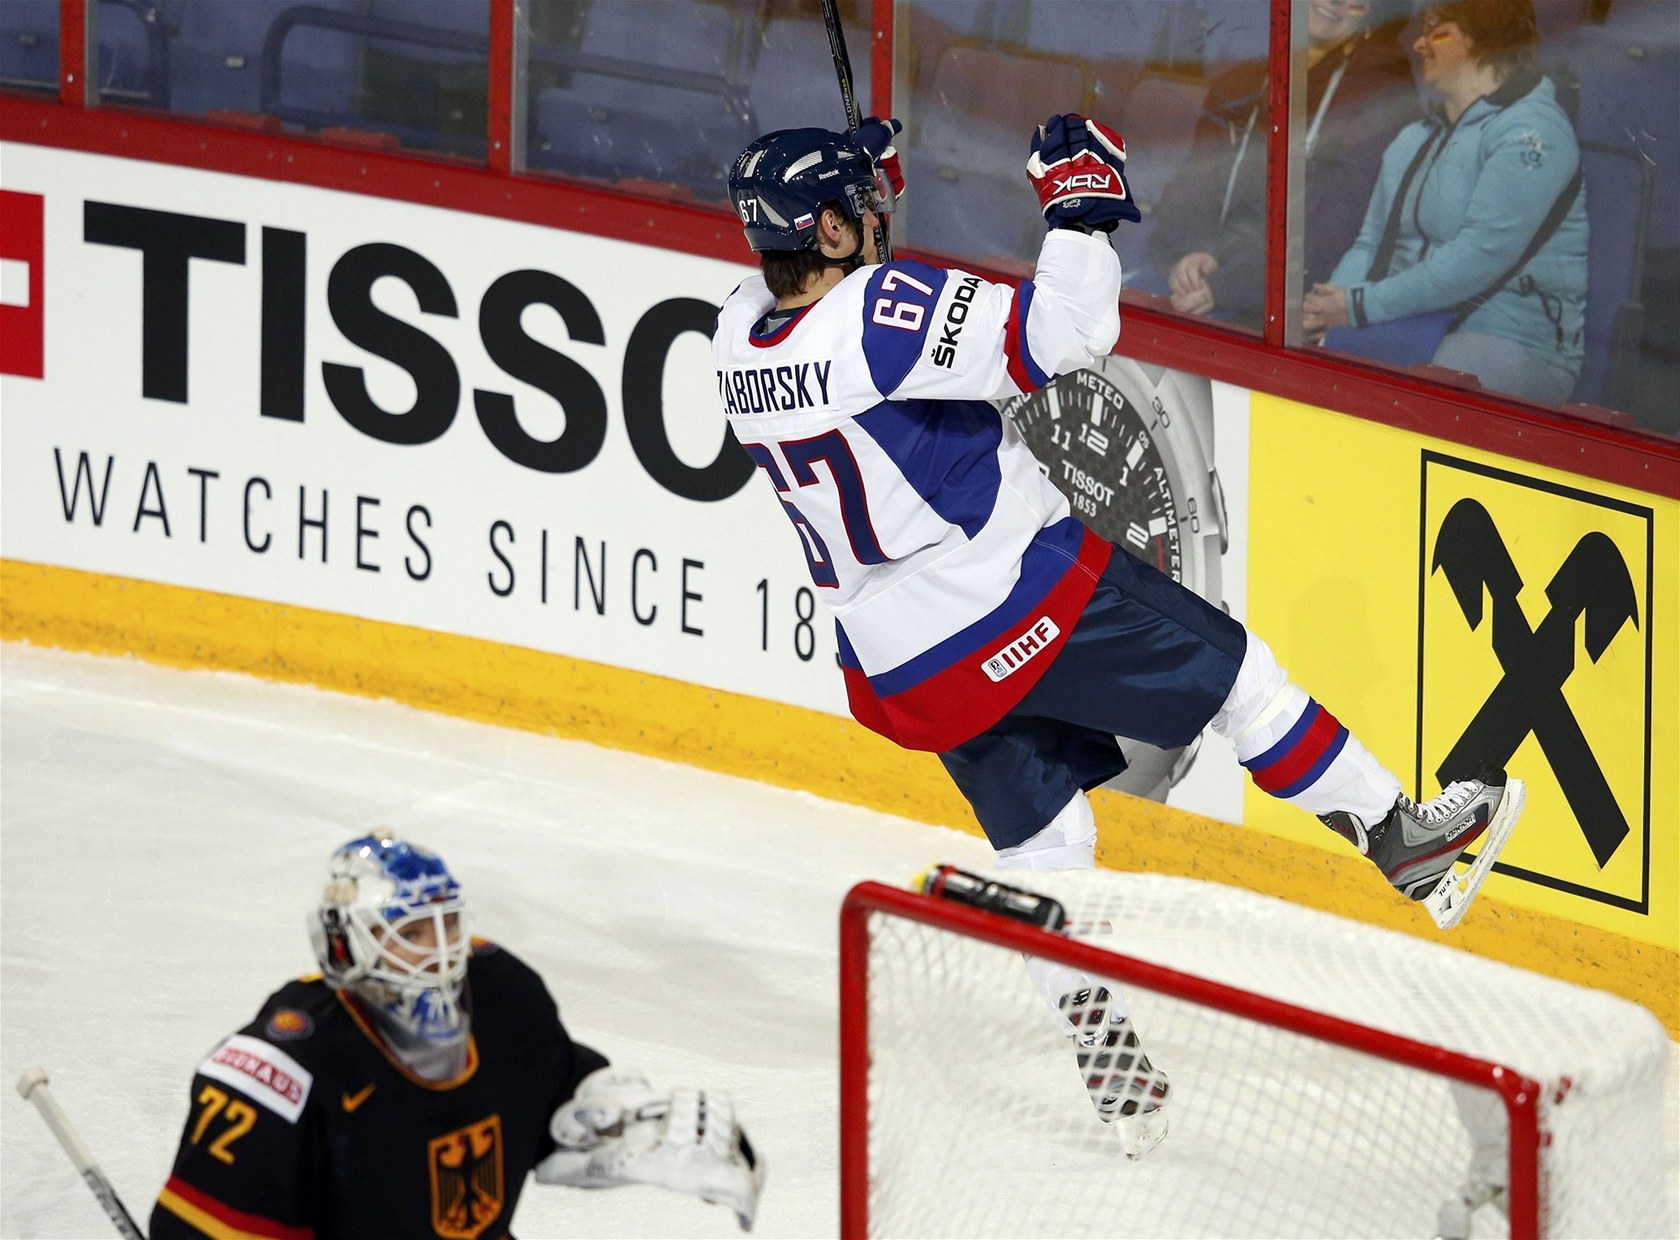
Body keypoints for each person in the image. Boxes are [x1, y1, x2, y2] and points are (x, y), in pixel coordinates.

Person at [713, 115, 1526, 1155]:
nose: (877, 219)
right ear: (829, 232)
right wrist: (1080, 212)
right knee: (1241, 678)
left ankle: (1108, 1059)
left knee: (1045, 842)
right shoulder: (876, 313)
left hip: (902, 662)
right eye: (857, 212)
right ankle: (1406, 841)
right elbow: (1065, 336)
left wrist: (856, 199)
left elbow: (847, 309)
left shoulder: (735, 334)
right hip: (1014, 596)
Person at [149, 835, 763, 1238]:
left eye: (447, 925)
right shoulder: (280, 1068)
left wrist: (609, 1115)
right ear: (345, 943)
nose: (441, 950)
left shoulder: (501, 993)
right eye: (413, 933)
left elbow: (541, 1095)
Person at [1302, 0, 1588, 404]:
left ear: (1486, 41)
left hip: (1511, 338)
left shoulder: (1534, 134)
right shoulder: (1415, 138)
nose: (1419, 45)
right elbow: (1370, 243)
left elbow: (1478, 257)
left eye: (1437, 33)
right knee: (1310, 358)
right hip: (1406, 321)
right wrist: (1325, 311)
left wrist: (1357, 307)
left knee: (1436, 389)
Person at [1151, 0, 1415, 326]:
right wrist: (1186, 259)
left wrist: (1226, 283)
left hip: (1290, 301)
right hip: (1205, 275)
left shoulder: (1381, 97)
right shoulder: (1241, 83)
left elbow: (1335, 227)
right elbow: (1191, 186)